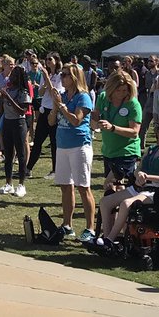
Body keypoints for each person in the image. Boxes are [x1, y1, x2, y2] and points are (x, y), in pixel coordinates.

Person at [96, 118, 159, 245]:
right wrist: (138, 174)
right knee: (105, 202)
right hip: (140, 187)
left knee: (126, 204)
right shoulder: (151, 150)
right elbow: (138, 168)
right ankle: (107, 237)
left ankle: (110, 239)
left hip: (158, 192)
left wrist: (148, 177)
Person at [53, 63, 95, 242]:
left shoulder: (83, 97)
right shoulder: (63, 96)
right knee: (65, 186)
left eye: (65, 75)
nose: (62, 78)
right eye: (61, 75)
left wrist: (62, 107)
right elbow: (49, 120)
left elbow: (77, 120)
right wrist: (56, 105)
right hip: (62, 145)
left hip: (79, 145)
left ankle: (90, 228)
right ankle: (67, 225)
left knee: (83, 187)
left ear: (75, 77)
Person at [94, 69, 142, 194]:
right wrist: (94, 121)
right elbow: (95, 114)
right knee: (113, 189)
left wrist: (113, 128)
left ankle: (120, 211)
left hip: (126, 152)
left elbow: (134, 131)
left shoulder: (132, 104)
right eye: (118, 90)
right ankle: (115, 213)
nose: (121, 94)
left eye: (125, 90)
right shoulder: (103, 97)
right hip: (109, 151)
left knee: (112, 185)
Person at [0, 64, 31, 198]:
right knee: (8, 155)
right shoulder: (9, 89)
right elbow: (1, 110)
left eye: (15, 75)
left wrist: (9, 98)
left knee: (21, 154)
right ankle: (8, 183)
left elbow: (23, 110)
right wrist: (1, 98)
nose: (12, 77)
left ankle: (21, 184)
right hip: (8, 122)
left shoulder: (23, 92)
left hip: (19, 123)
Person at [26, 53, 62, 178]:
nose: (47, 61)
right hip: (44, 109)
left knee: (54, 142)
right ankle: (28, 168)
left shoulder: (60, 76)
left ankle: (55, 170)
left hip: (55, 111)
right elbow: (40, 92)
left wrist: (47, 79)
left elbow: (56, 94)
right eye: (46, 59)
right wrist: (46, 82)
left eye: (50, 59)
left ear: (56, 61)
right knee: (37, 141)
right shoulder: (45, 75)